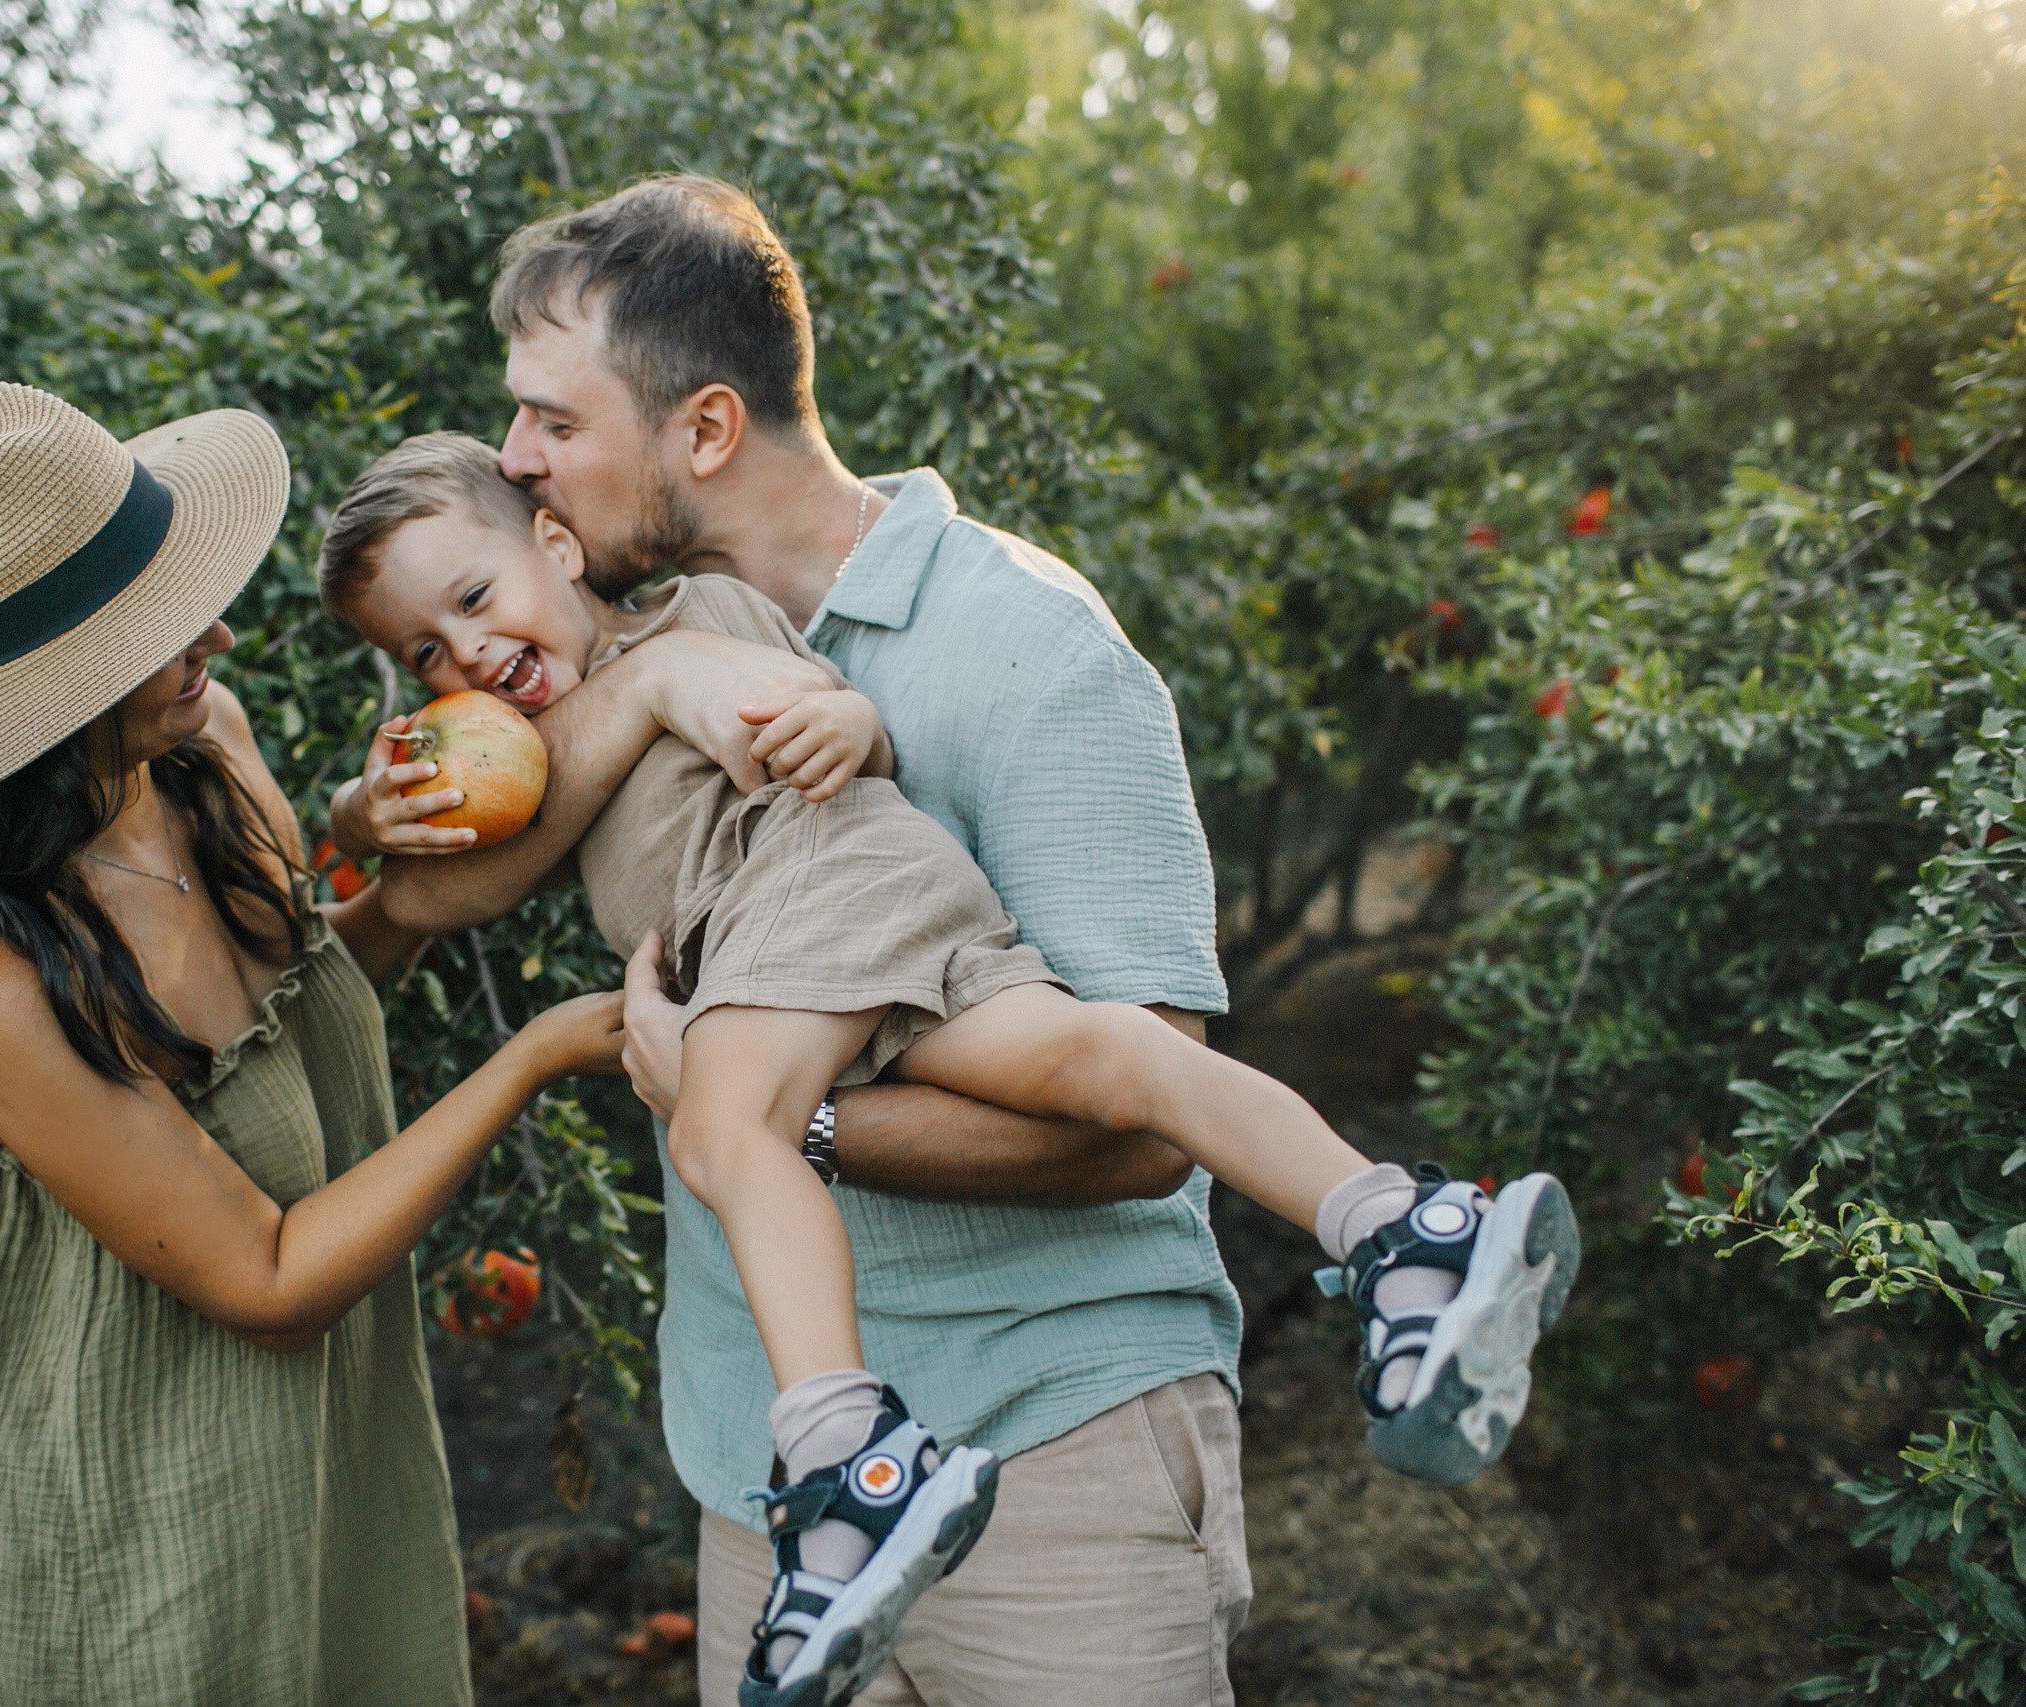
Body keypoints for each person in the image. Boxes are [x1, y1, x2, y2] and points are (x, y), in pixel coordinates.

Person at [322, 178, 1578, 1707]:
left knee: (754, 1116)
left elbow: (1130, 1148)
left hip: (1057, 1452)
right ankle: (1402, 1228)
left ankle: (851, 1453)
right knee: (1087, 1050)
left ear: (702, 431)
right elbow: (459, 866)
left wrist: (773, 1113)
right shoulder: (599, 654)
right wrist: (369, 813)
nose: (519, 457)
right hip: (748, 1480)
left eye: (551, 425)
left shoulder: (1027, 650)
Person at [0, 381, 626, 1706]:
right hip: (138, 1514)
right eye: (154, 626)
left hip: (330, 1451)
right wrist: (532, 1056)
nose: (218, 630)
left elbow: (303, 1019)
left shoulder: (202, 752)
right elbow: (264, 1281)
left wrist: (395, 874)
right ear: (44, 690)